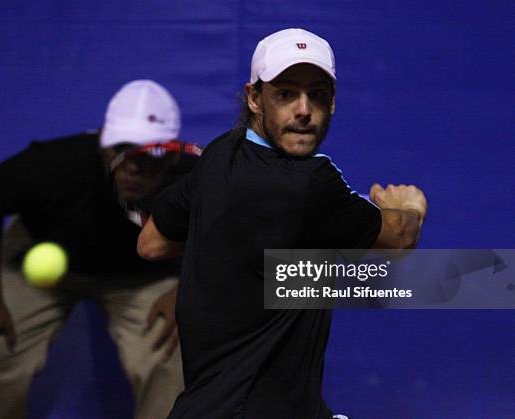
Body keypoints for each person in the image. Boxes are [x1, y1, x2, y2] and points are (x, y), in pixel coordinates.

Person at [137, 29, 428, 418]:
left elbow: (152, 242)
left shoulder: (220, 154)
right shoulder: (312, 183)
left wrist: (234, 249)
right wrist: (409, 206)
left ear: (333, 102)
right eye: (286, 93)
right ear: (255, 98)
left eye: (317, 94)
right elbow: (400, 240)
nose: (304, 109)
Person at [0, 80, 190, 419]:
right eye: (121, 148)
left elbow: (228, 235)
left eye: (148, 154)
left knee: (176, 352)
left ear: (170, 155)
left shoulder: (195, 176)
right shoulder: (53, 164)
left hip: (145, 276)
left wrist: (185, 289)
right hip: (39, 254)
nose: (133, 165)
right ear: (103, 145)